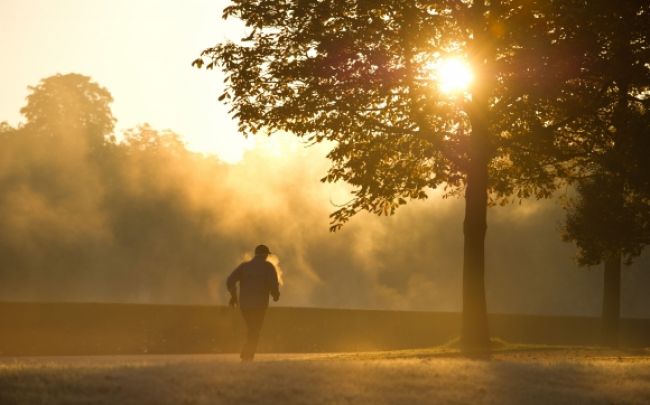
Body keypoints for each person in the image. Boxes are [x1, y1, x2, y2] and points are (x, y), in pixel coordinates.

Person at [226, 244, 280, 361]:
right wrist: (275, 295)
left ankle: (247, 352)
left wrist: (234, 296)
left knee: (252, 327)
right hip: (260, 305)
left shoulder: (245, 266)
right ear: (265, 255)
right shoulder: (268, 267)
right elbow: (273, 283)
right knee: (255, 328)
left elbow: (230, 280)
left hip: (245, 305)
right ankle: (247, 353)